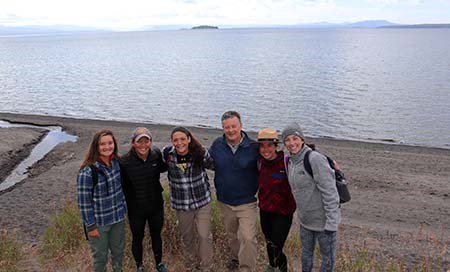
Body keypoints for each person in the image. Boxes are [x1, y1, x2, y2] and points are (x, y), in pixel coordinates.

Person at [282, 122, 341, 272]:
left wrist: (332, 223)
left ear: (302, 139)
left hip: (324, 223)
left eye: (295, 138)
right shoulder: (290, 161)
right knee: (306, 256)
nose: (291, 143)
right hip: (305, 222)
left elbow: (330, 192)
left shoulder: (314, 159)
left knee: (327, 260)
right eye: (287, 140)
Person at [209, 111, 259, 272]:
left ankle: (246, 268)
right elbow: (206, 161)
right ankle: (236, 258)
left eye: (233, 126)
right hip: (224, 201)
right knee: (232, 235)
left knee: (248, 238)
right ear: (223, 128)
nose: (230, 130)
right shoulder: (217, 145)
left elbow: (269, 162)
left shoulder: (253, 147)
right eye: (226, 127)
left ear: (241, 126)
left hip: (246, 202)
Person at [162, 126, 214, 272]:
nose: (179, 143)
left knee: (204, 235)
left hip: (202, 201)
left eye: (183, 139)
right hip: (181, 204)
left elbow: (215, 166)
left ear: (189, 139)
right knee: (187, 237)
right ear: (172, 142)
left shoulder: (200, 153)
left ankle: (206, 267)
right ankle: (191, 264)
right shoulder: (167, 154)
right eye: (176, 140)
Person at [77, 129, 127, 272]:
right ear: (96, 147)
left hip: (118, 218)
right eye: (102, 144)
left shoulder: (117, 163)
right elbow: (84, 203)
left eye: (110, 143)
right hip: (99, 224)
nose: (107, 147)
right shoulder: (88, 172)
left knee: (118, 253)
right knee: (100, 257)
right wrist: (91, 227)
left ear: (114, 144)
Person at [119, 127, 168, 272]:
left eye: (146, 141)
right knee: (137, 237)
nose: (143, 145)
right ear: (133, 143)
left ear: (151, 142)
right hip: (136, 209)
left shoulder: (156, 154)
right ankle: (139, 266)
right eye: (139, 141)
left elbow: (164, 167)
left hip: (156, 206)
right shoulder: (124, 162)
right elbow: (120, 186)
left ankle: (159, 263)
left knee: (156, 235)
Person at [256, 128, 296, 272]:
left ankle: (283, 269)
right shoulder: (259, 162)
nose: (266, 149)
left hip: (283, 213)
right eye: (262, 146)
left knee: (276, 247)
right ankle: (272, 267)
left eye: (269, 145)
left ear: (276, 146)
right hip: (265, 210)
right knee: (269, 243)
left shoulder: (286, 162)